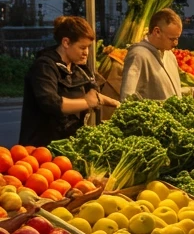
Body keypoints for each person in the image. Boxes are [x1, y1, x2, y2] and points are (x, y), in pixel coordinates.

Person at [20, 16, 120, 148]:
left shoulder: (78, 67)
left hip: (68, 145)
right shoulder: (44, 66)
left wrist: (117, 104)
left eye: (88, 47)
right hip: (43, 147)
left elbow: (94, 97)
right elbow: (51, 103)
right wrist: (86, 102)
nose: (86, 53)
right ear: (66, 43)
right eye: (82, 47)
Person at [121, 8, 190, 101]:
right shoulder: (138, 55)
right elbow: (127, 98)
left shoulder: (170, 55)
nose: (176, 43)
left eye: (177, 38)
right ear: (157, 32)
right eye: (172, 39)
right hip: (152, 115)